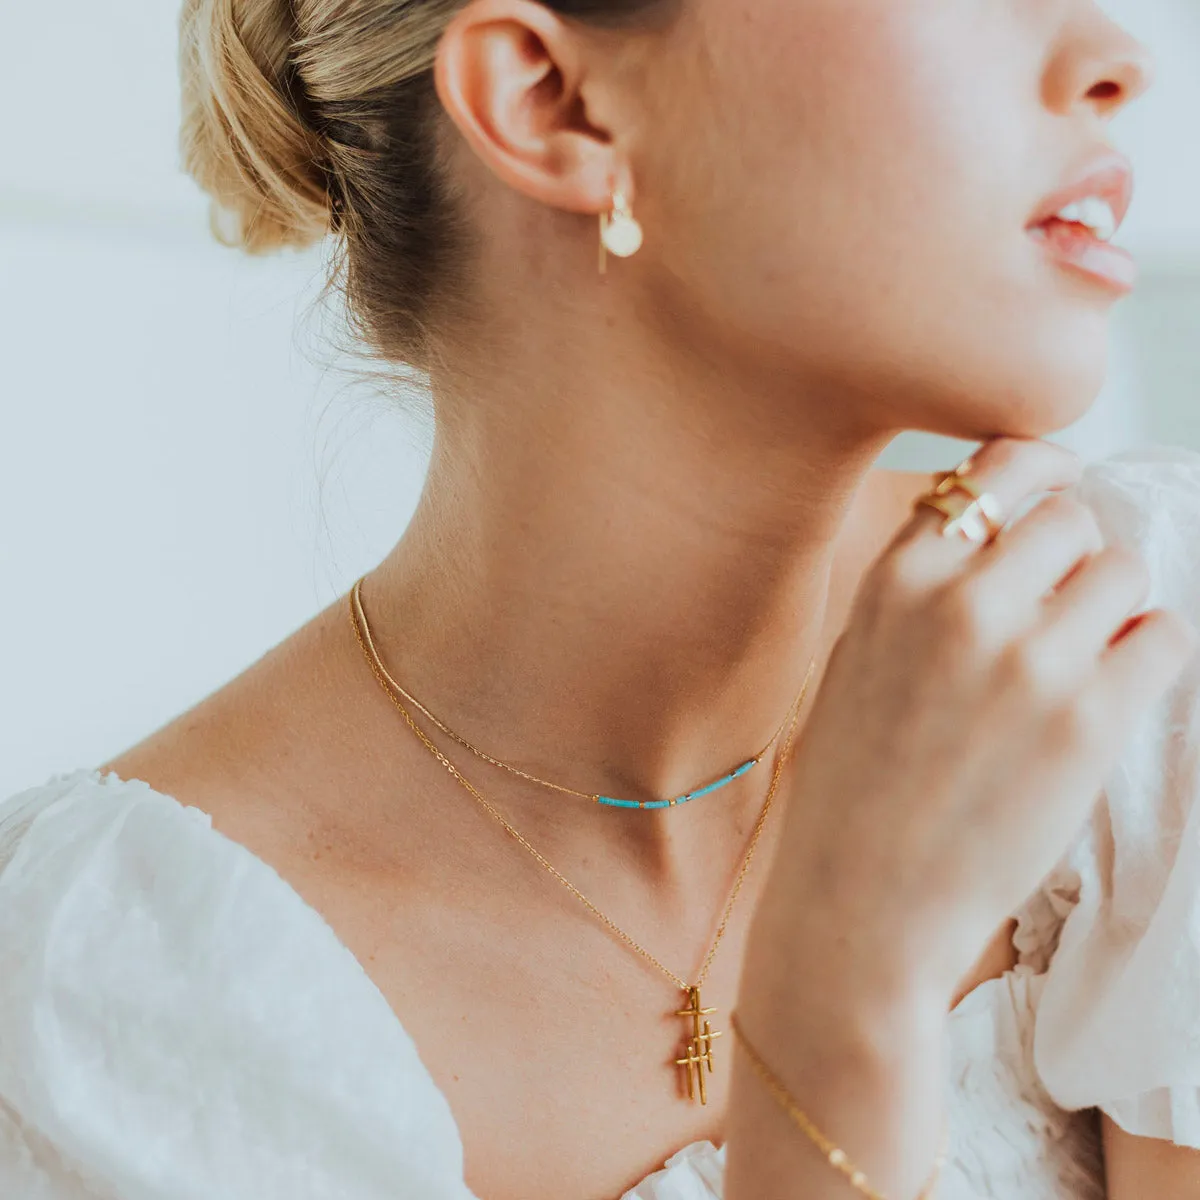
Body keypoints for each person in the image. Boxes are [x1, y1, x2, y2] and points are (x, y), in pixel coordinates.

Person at [3, 0, 1200, 1197]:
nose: (1117, 59)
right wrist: (848, 996)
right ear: (550, 102)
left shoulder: (1149, 645)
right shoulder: (111, 1006)